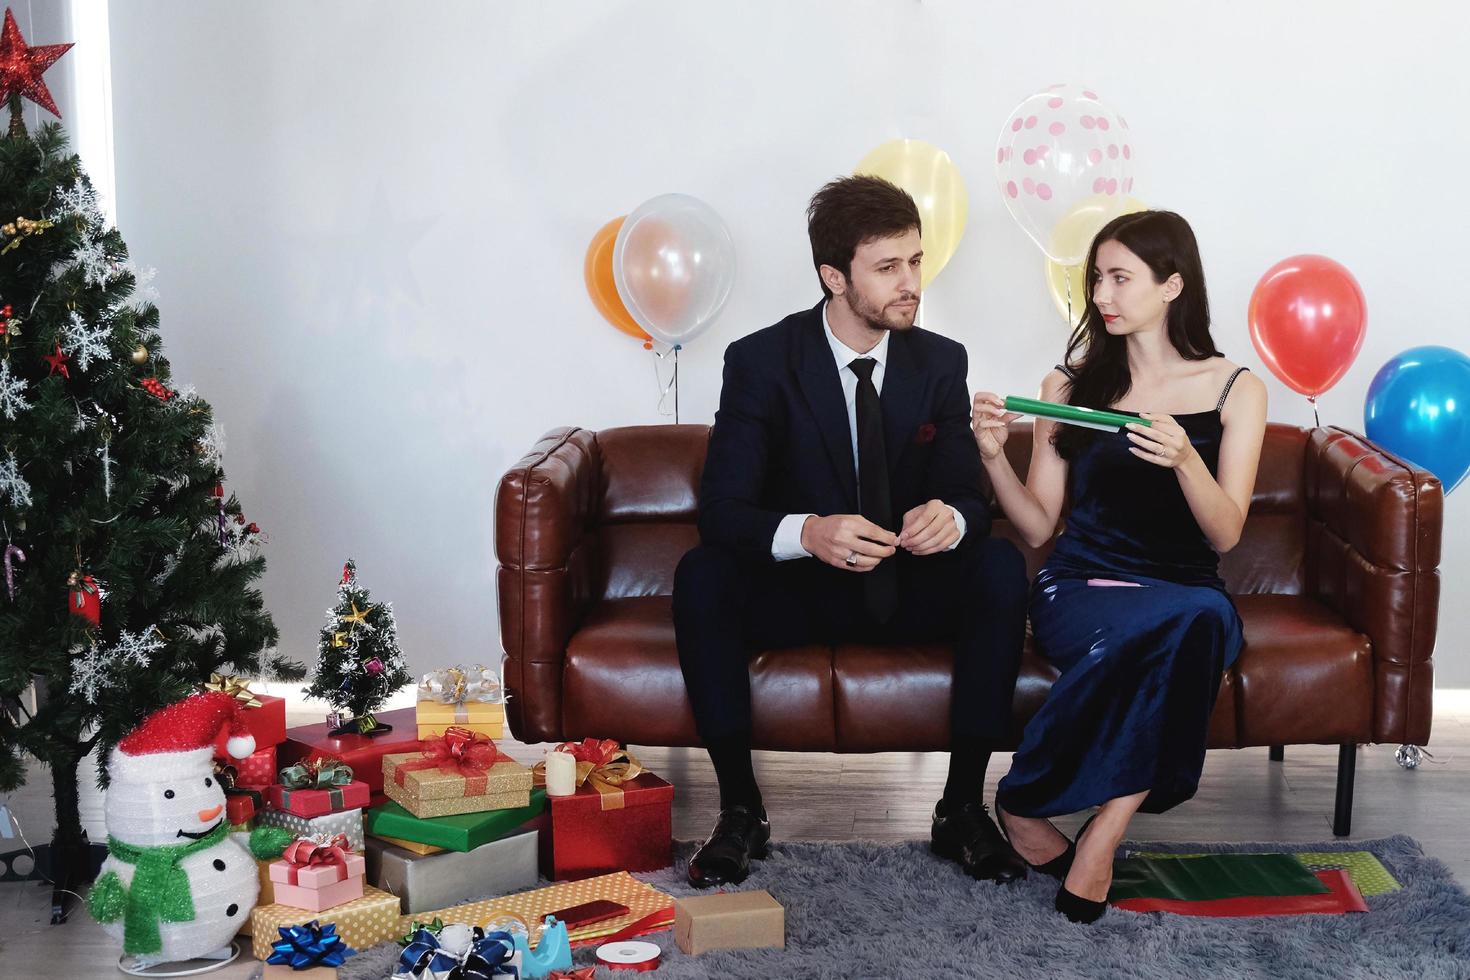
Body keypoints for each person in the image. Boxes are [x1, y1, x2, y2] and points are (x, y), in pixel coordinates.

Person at [674, 175, 1030, 888]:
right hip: (802, 593)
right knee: (701, 576)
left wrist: (953, 519)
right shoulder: (760, 362)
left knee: (997, 566)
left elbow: (970, 496)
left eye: (916, 262)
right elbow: (723, 511)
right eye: (888, 267)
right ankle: (742, 810)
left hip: (909, 585)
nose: (911, 283)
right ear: (833, 276)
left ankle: (961, 808)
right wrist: (807, 532)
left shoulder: (940, 362)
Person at [972, 210, 1268, 923]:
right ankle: (1070, 824)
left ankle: (1077, 821)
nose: (1102, 293)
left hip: (1187, 591)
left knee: (1195, 618)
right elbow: (1040, 522)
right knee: (1177, 631)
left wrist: (1187, 461)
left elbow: (1226, 535)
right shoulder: (1068, 386)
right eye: (1097, 277)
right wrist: (990, 457)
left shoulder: (1236, 389)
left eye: (1120, 277)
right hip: (1081, 585)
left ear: (1172, 285)